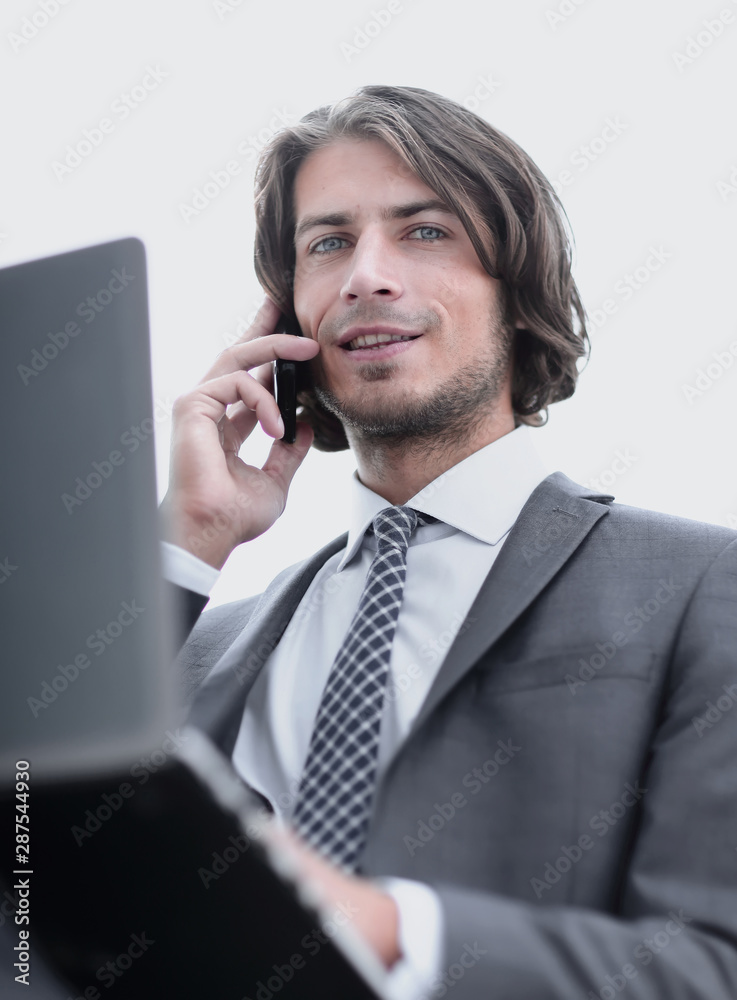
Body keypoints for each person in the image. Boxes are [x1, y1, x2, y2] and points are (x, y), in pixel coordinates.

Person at [159, 85, 737, 999]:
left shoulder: (706, 586)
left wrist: (385, 930)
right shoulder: (191, 640)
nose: (366, 276)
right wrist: (184, 547)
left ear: (517, 291)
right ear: (285, 318)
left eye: (423, 232)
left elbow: (715, 966)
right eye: (327, 243)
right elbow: (26, 888)